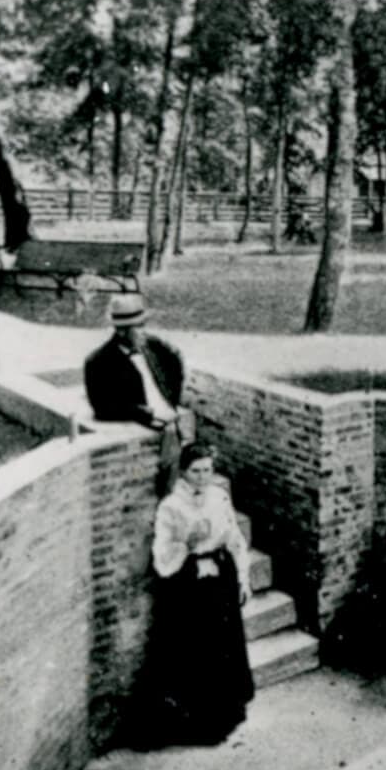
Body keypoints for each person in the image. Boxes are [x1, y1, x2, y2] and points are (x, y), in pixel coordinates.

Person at [141, 444, 255, 746]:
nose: (202, 477)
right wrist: (187, 544)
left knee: (224, 646)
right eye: (196, 471)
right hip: (189, 585)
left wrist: (243, 579)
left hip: (221, 578)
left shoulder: (219, 497)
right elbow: (161, 555)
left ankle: (226, 713)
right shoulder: (171, 506)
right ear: (183, 472)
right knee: (196, 649)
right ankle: (198, 723)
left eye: (207, 470)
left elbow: (235, 539)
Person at [84, 293, 186, 496]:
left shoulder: (154, 348)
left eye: (143, 324)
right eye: (138, 327)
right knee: (173, 466)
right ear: (121, 331)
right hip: (154, 424)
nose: (144, 331)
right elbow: (102, 407)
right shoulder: (99, 362)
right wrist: (147, 413)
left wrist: (172, 401)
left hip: (174, 420)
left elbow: (177, 363)